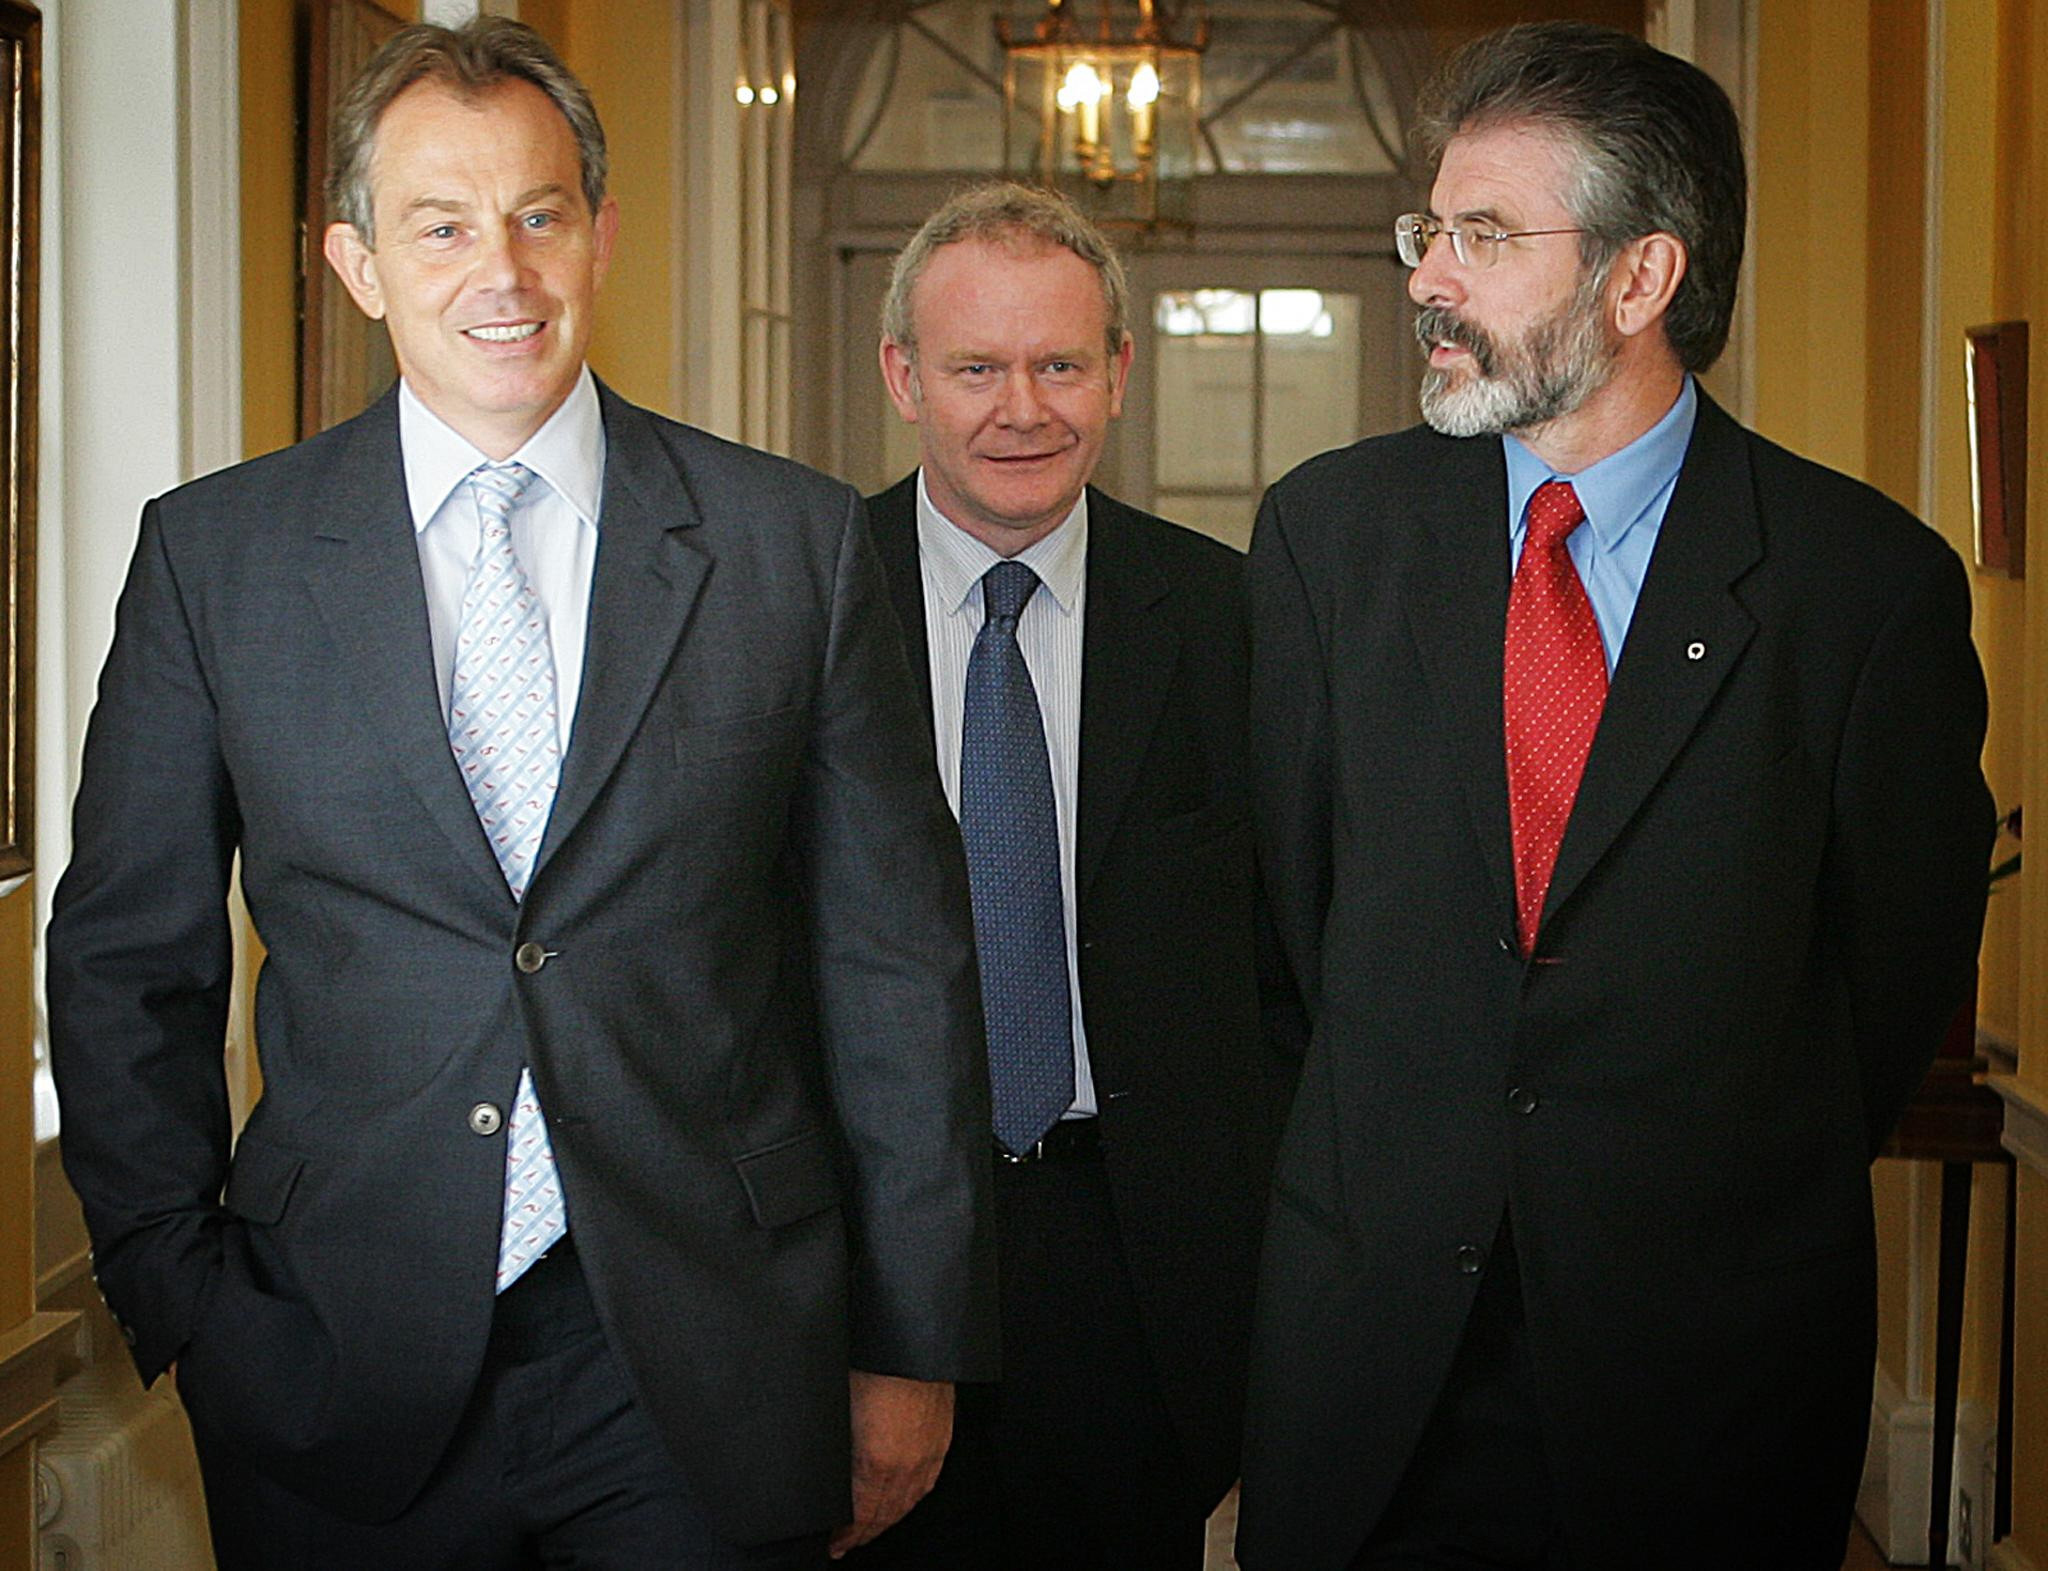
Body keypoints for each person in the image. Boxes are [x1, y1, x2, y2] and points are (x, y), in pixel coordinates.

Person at [45, 18, 994, 1569]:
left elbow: (897, 967)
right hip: (325, 1357)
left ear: (599, 235)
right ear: (357, 260)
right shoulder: (214, 560)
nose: (503, 268)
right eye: (440, 223)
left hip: (708, 1360)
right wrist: (181, 1299)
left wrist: (911, 1341)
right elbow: (124, 960)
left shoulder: (791, 549)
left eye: (540, 213)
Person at [1238, 22, 1993, 1571]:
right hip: (1373, 1369)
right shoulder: (1331, 538)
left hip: (1699, 1384)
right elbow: (1290, 931)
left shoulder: (1863, 592)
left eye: (1486, 237)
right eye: (1427, 232)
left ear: (1641, 280)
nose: (1430, 278)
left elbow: (1883, 987)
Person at [845, 182, 1296, 1571]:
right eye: (976, 367)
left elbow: (1296, 961)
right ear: (905, 379)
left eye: (1058, 363)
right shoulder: (795, 599)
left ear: (1117, 373)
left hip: (1137, 1267)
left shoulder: (1237, 622)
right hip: (869, 1253)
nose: (1021, 407)